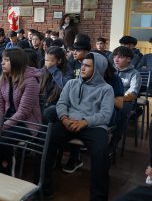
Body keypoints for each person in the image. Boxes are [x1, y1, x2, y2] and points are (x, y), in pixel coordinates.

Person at [43, 52, 114, 200]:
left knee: (101, 152)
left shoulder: (106, 89)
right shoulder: (72, 83)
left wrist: (85, 122)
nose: (82, 68)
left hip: (93, 126)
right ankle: (43, 187)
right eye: (82, 65)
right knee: (46, 139)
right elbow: (62, 103)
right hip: (68, 122)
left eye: (87, 66)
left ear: (98, 69)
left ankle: (98, 197)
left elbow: (105, 115)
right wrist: (64, 119)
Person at [0, 48, 42, 174]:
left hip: (27, 123)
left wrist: (3, 126)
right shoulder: (3, 78)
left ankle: (7, 169)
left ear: (17, 62)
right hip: (7, 119)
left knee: (2, 138)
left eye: (6, 60)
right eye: (2, 60)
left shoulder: (30, 81)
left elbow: (23, 111)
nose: (2, 63)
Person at [113, 46, 141, 147]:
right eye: (115, 56)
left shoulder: (135, 74)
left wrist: (119, 99)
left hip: (127, 102)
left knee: (120, 111)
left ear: (128, 59)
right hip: (110, 99)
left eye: (120, 57)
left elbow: (133, 94)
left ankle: (114, 141)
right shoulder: (110, 71)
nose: (116, 59)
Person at [40, 46, 74, 124]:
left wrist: (53, 70)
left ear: (59, 61)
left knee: (48, 112)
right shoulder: (45, 69)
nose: (47, 63)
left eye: (51, 61)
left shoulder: (67, 71)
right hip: (44, 102)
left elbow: (65, 86)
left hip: (58, 105)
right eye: (46, 60)